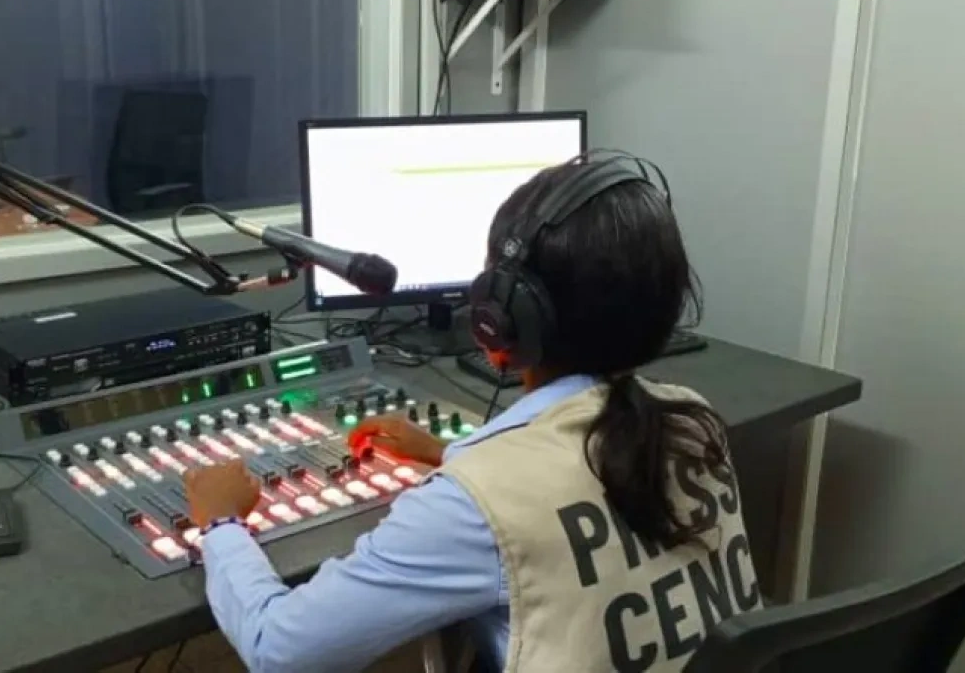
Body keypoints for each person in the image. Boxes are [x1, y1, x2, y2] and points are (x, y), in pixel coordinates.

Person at [184, 152, 762, 672]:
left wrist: (221, 524)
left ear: (499, 317)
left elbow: (279, 649)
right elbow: (569, 487)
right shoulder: (691, 418)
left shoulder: (473, 507)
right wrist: (453, 453)